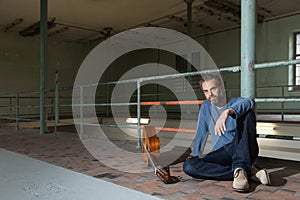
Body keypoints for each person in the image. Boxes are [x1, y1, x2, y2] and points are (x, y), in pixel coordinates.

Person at [183, 73, 271, 192]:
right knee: (189, 165)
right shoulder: (205, 106)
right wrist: (196, 156)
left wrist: (227, 112)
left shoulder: (236, 102)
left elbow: (250, 102)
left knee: (247, 113)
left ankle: (241, 167)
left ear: (222, 87)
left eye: (213, 88)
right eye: (206, 91)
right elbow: (201, 133)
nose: (210, 94)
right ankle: (244, 172)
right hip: (223, 153)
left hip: (244, 149)